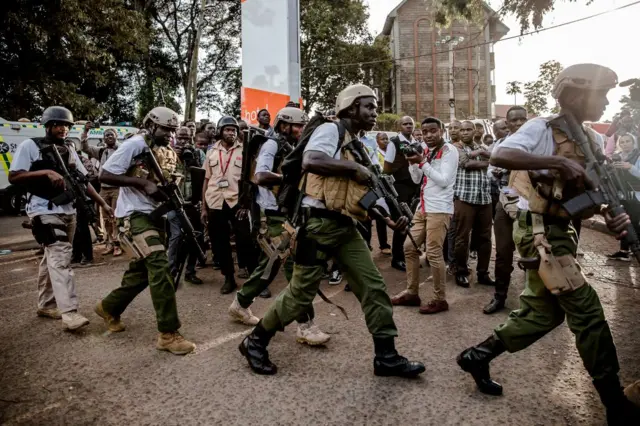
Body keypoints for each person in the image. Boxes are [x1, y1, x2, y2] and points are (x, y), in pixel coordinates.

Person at [456, 64, 640, 425]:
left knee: (544, 313)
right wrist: (554, 161)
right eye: (599, 94)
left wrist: (611, 213)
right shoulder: (541, 128)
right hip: (541, 233)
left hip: (563, 231)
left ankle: (478, 356)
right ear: (573, 95)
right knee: (587, 313)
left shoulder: (593, 138)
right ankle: (614, 403)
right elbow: (500, 156)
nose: (605, 102)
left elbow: (589, 189)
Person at [238, 84, 425, 378]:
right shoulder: (331, 131)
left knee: (373, 287)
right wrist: (352, 170)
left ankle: (386, 356)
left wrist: (389, 218)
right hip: (318, 225)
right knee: (300, 294)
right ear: (351, 108)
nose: (375, 113)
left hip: (345, 225)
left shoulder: (357, 144)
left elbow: (361, 195)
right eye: (369, 107)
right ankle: (255, 341)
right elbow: (312, 161)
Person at [96, 106, 195, 355]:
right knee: (160, 268)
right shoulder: (135, 144)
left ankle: (109, 307)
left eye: (173, 131)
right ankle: (168, 333)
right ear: (151, 125)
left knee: (141, 272)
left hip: (154, 216)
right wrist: (142, 183)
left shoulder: (167, 151)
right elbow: (104, 175)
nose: (170, 135)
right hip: (133, 216)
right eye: (165, 129)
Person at [228, 107, 332, 345]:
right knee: (295, 267)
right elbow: (261, 176)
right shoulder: (272, 145)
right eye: (298, 126)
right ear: (284, 125)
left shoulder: (292, 146)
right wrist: (290, 179)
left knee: (270, 266)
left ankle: (240, 303)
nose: (301, 130)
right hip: (271, 216)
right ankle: (305, 325)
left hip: (286, 214)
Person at [9, 106, 112, 330]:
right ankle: (70, 313)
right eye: (58, 124)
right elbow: (14, 175)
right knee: (61, 257)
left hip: (68, 210)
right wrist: (46, 172)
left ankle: (46, 305)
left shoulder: (69, 149)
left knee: (51, 258)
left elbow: (83, 182)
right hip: (42, 209)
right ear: (47, 126)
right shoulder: (31, 146)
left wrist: (102, 204)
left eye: (66, 125)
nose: (63, 129)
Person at [391, 117, 458, 314]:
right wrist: (413, 163)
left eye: (433, 131)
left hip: (440, 208)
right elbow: (417, 178)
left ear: (442, 130)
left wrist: (422, 162)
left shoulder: (449, 151)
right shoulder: (426, 150)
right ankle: (412, 293)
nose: (428, 135)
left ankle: (440, 299)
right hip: (423, 206)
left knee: (434, 253)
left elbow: (444, 180)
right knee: (409, 247)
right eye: (425, 131)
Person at [201, 116, 256, 294]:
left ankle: (254, 279)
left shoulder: (244, 151)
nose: (231, 133)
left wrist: (246, 203)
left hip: (237, 202)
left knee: (246, 240)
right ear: (220, 131)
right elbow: (206, 179)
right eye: (227, 129)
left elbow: (250, 179)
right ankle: (229, 278)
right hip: (215, 201)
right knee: (219, 242)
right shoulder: (211, 152)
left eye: (233, 130)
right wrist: (203, 207)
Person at [483, 106, 528, 315]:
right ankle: (499, 296)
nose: (518, 123)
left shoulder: (535, 143)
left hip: (530, 203)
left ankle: (533, 303)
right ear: (506, 123)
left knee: (531, 252)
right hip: (505, 200)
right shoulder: (501, 144)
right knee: (502, 252)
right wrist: (498, 171)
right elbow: (491, 171)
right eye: (514, 120)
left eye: (522, 119)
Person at [452, 121, 494, 288]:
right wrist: (489, 162)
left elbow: (495, 158)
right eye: (462, 130)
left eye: (468, 129)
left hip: (484, 198)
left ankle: (483, 273)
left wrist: (488, 158)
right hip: (464, 198)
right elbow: (466, 164)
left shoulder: (482, 146)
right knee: (462, 237)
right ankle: (461, 272)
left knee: (485, 238)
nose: (464, 133)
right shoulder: (455, 148)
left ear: (474, 131)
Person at [166, 127, 204, 285]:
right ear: (175, 137)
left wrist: (191, 159)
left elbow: (203, 175)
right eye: (181, 138)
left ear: (192, 138)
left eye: (187, 138)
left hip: (192, 202)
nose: (183, 141)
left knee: (195, 237)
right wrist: (176, 156)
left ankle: (190, 271)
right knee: (176, 237)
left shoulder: (198, 153)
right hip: (174, 202)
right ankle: (171, 271)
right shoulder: (168, 152)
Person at [383, 116, 420, 271]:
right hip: (399, 186)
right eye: (405, 124)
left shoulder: (417, 143)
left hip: (414, 186)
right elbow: (387, 166)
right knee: (401, 220)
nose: (408, 126)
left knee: (412, 220)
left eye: (410, 123)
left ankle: (407, 254)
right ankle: (397, 258)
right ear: (399, 126)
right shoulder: (394, 142)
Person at [81, 125, 122, 257]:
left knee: (115, 217)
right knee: (105, 218)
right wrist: (86, 131)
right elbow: (85, 148)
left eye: (111, 134)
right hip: (104, 189)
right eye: (106, 135)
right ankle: (109, 243)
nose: (109, 137)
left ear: (116, 136)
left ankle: (117, 244)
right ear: (104, 139)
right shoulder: (101, 151)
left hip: (117, 188)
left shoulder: (121, 149)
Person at [607, 133, 640, 261]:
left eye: (628, 141)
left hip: (636, 196)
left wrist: (630, 167)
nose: (625, 144)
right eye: (623, 142)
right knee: (623, 223)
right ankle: (624, 251)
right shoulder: (618, 157)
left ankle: (635, 250)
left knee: (634, 223)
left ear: (633, 142)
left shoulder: (638, 156)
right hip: (621, 195)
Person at [374, 132, 392, 255]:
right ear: (377, 141)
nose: (385, 141)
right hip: (379, 187)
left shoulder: (391, 152)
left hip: (391, 187)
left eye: (387, 139)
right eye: (382, 139)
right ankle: (383, 244)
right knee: (381, 215)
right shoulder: (374, 152)